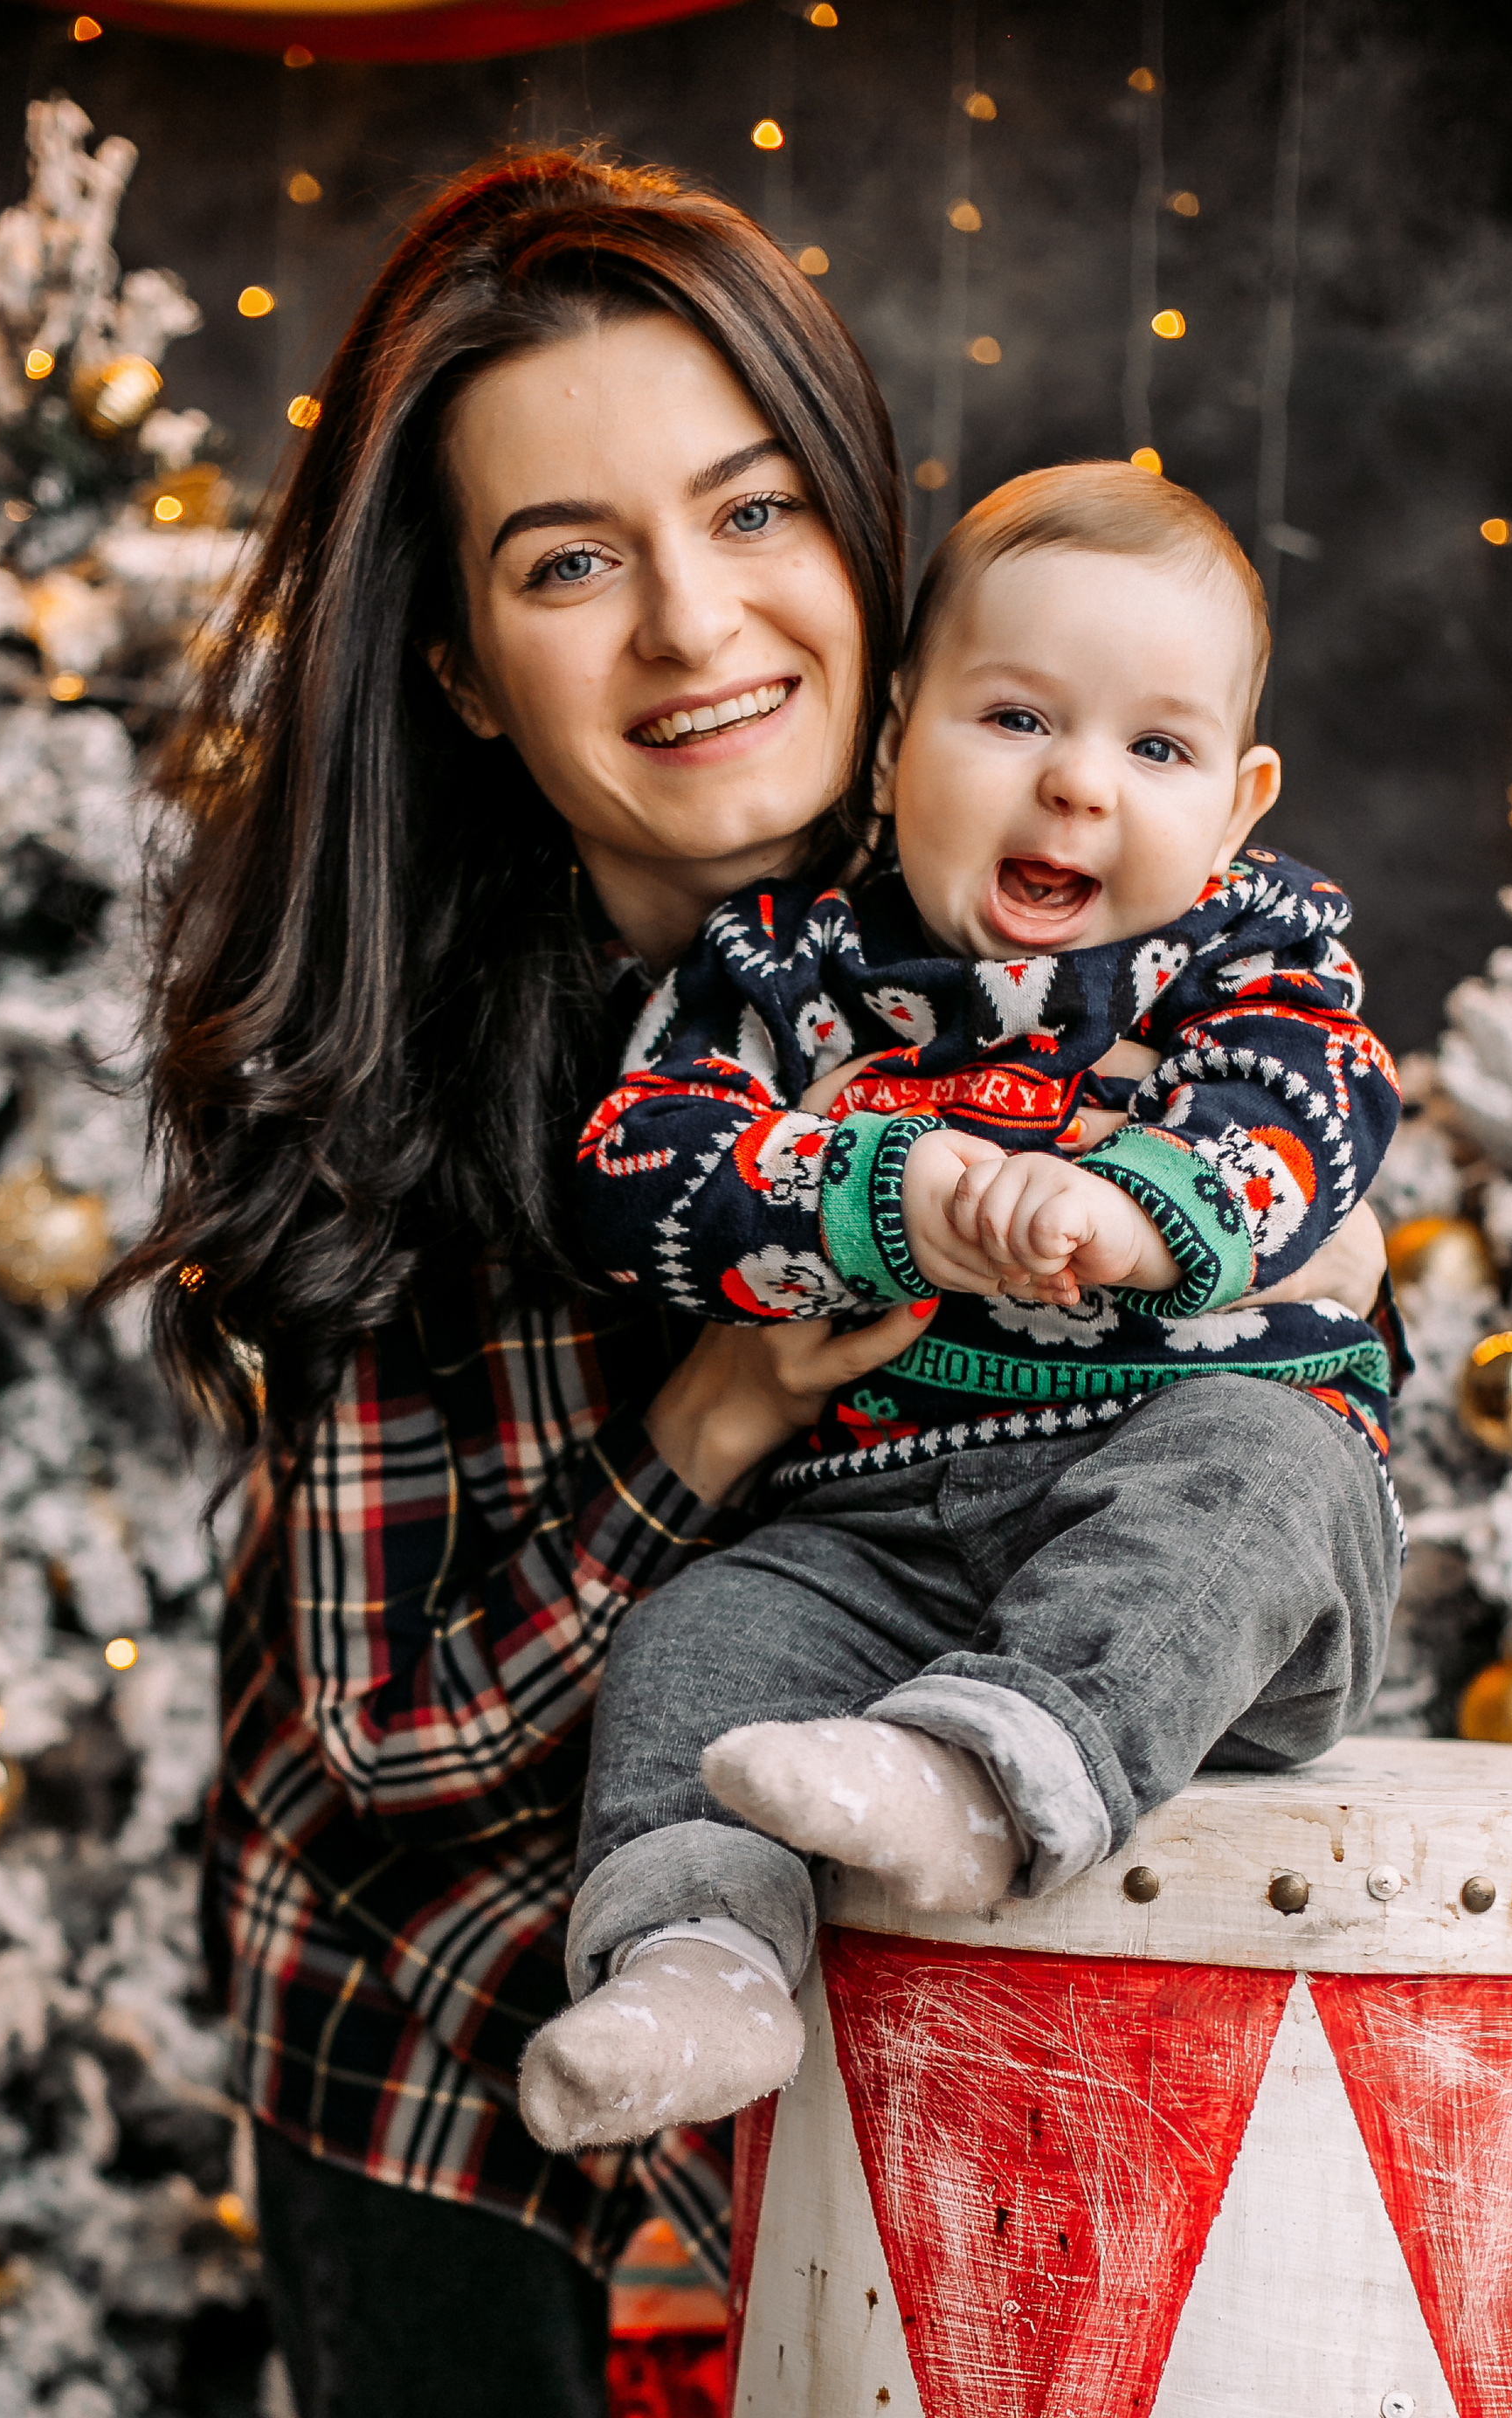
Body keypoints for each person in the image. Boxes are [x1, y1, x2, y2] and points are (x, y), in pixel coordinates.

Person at [125, 150, 1381, 2418]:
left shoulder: (997, 860)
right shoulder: (395, 1049)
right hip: (420, 1995)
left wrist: (1253, 1274)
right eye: (569, 563)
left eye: (750, 515)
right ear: (455, 661)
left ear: (864, 528)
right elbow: (397, 1735)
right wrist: (702, 1423)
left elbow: (1254, 1330)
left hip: (877, 1892)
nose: (698, 626)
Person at [521, 463, 1406, 2150]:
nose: (1078, 784)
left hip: (1207, 1551)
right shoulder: (789, 972)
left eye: (1157, 749)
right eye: (1014, 717)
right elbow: (635, 1167)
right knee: (700, 1638)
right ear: (897, 736)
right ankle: (696, 1958)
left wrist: (1149, 1209)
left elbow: (1315, 1112)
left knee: (1265, 1467)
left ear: (1238, 797)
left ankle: (986, 1783)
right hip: (877, 1540)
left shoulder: (1248, 960)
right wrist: (886, 1194)